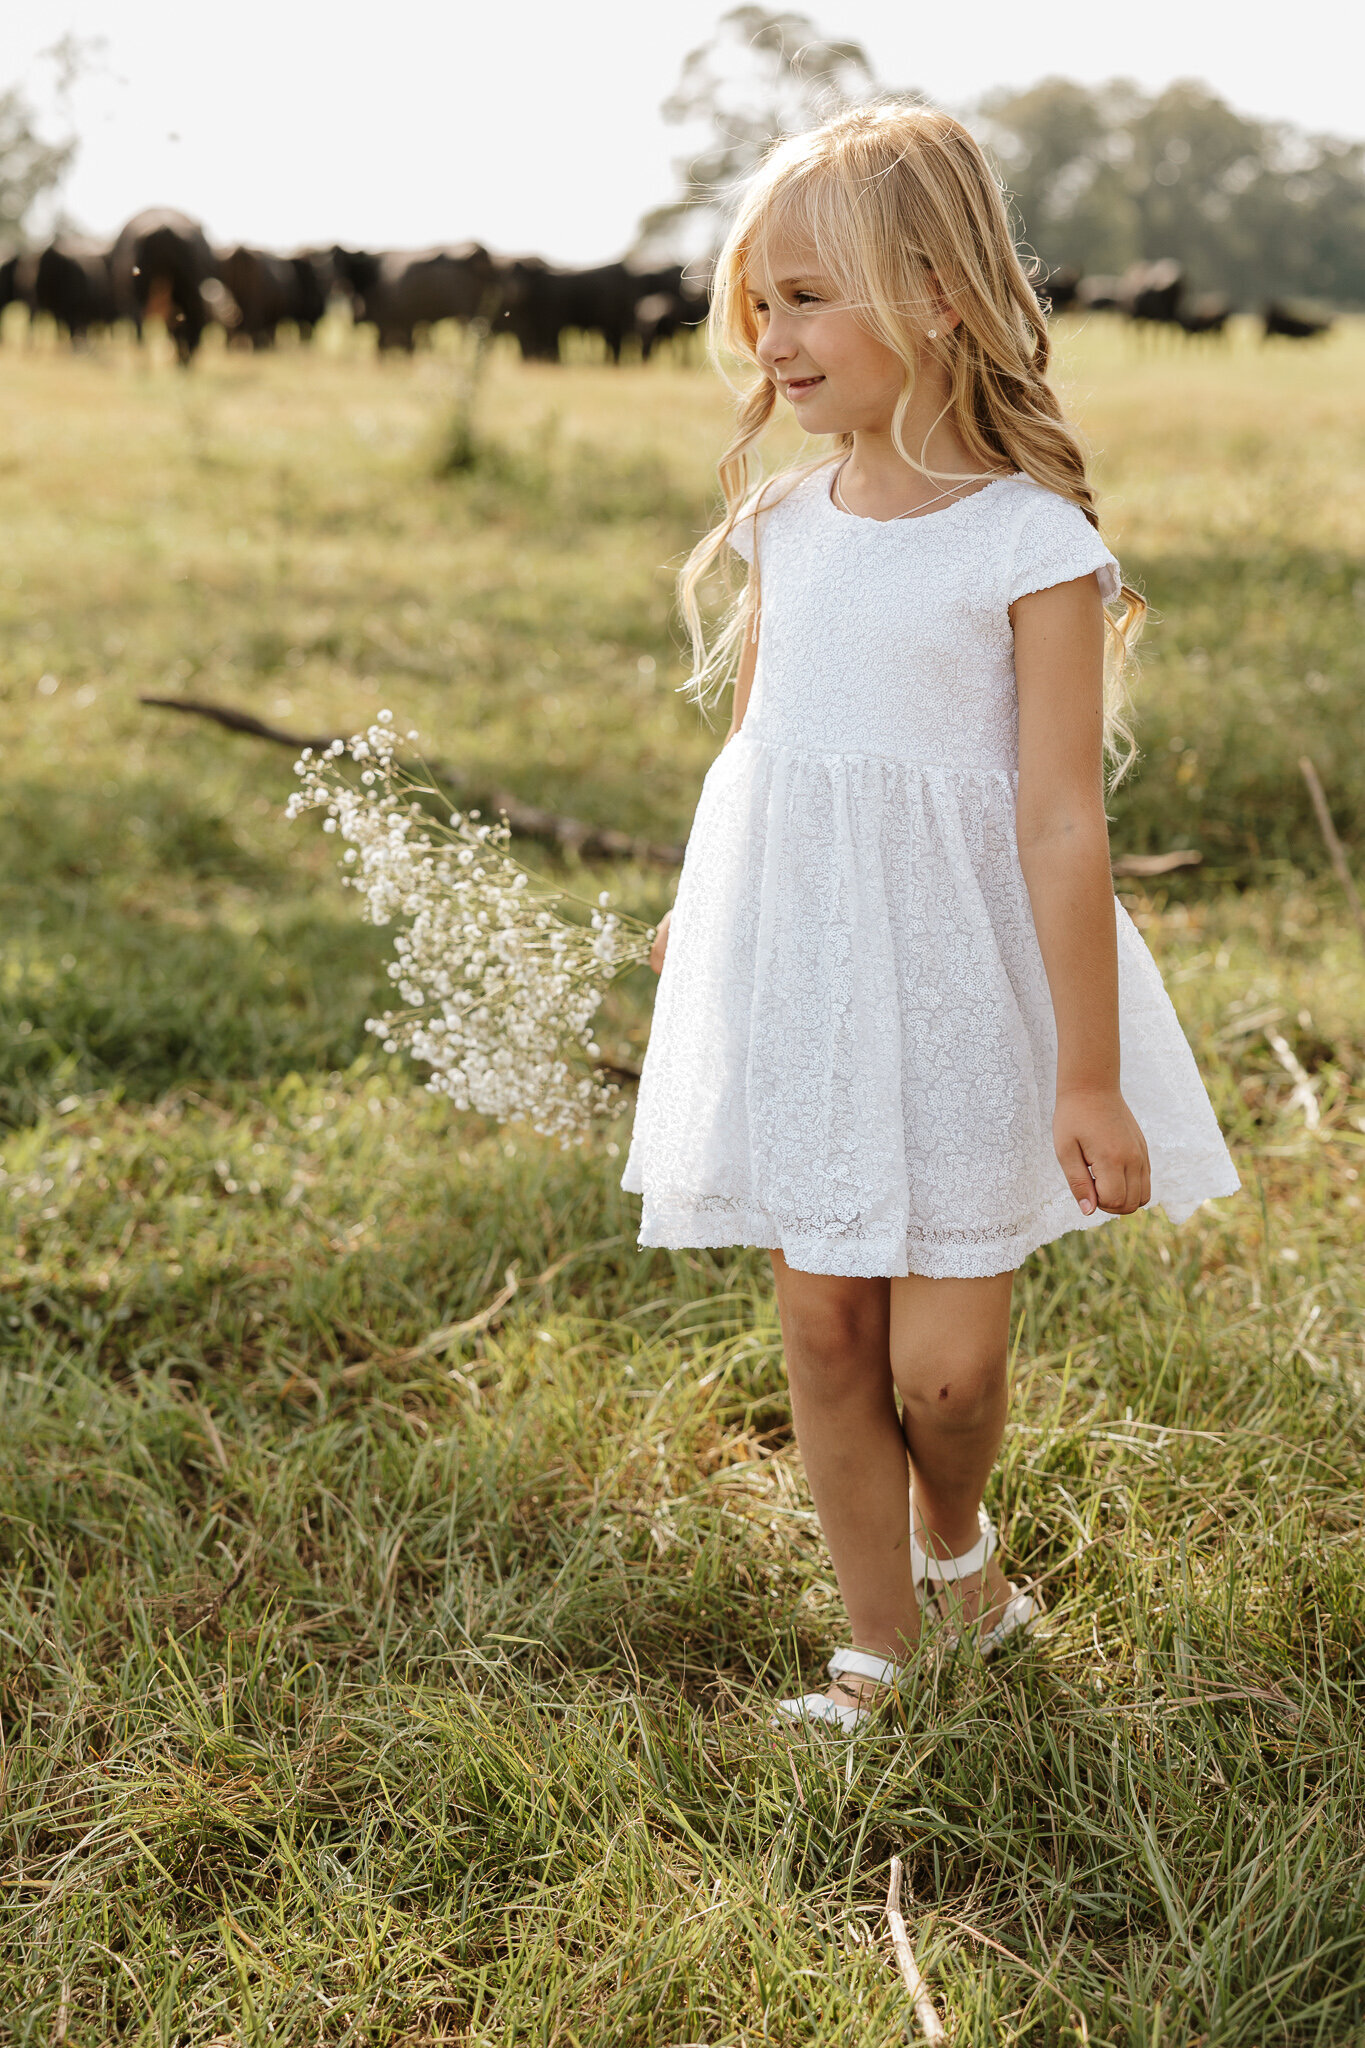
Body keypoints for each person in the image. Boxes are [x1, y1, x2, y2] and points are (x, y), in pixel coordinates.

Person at [621, 103, 1238, 1732]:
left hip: (965, 984)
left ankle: (958, 1543)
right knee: (824, 1328)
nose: (774, 335)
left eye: (812, 296)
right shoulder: (782, 526)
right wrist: (703, 922)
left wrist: (1087, 1077)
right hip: (803, 966)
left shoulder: (1028, 543)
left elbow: (1055, 813)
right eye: (760, 301)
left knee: (942, 1374)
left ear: (941, 296)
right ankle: (875, 1647)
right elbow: (751, 755)